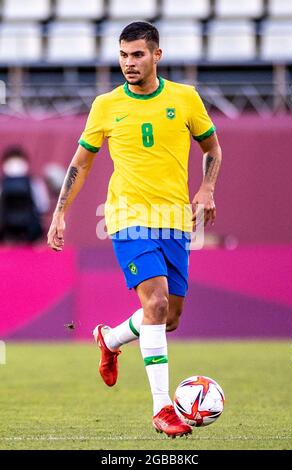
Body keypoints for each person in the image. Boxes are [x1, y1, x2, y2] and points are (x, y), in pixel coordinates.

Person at [47, 21, 222, 438]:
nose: (129, 63)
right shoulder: (106, 105)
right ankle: (162, 408)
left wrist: (208, 188)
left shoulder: (185, 99)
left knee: (168, 317)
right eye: (124, 55)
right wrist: (59, 213)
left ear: (156, 55)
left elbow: (212, 147)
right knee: (157, 304)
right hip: (126, 217)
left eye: (138, 54)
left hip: (176, 221)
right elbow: (81, 162)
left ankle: (109, 340)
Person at [0, 146, 49, 243]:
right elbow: (43, 206)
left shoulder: (34, 183)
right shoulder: (35, 183)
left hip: (12, 230)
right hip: (30, 229)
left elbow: (43, 206)